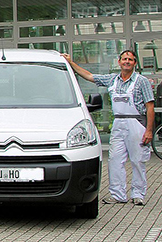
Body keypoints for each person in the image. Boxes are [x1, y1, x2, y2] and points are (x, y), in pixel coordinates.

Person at [62, 50, 154, 206]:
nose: (127, 61)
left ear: (134, 63)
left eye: (130, 59)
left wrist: (149, 130)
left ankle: (138, 194)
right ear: (119, 62)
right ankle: (117, 194)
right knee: (115, 160)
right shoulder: (113, 80)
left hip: (136, 123)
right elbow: (90, 76)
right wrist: (71, 63)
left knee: (138, 160)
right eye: (124, 59)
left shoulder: (141, 81)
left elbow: (150, 106)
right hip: (118, 123)